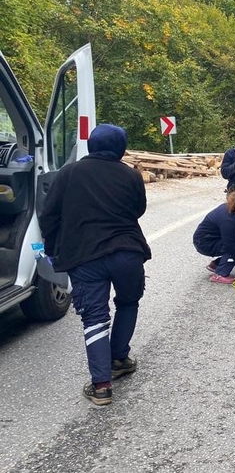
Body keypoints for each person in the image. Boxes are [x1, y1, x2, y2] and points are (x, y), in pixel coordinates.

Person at [39, 123, 152, 406]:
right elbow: (138, 210)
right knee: (128, 303)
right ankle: (119, 359)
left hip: (85, 256)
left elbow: (49, 216)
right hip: (127, 252)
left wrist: (52, 251)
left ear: (90, 145)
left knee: (95, 317)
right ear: (121, 148)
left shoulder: (68, 174)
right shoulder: (132, 176)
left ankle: (101, 386)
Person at [193, 189, 235, 284]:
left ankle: (216, 265)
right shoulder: (228, 219)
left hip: (216, 238)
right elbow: (231, 246)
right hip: (204, 242)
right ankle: (220, 274)